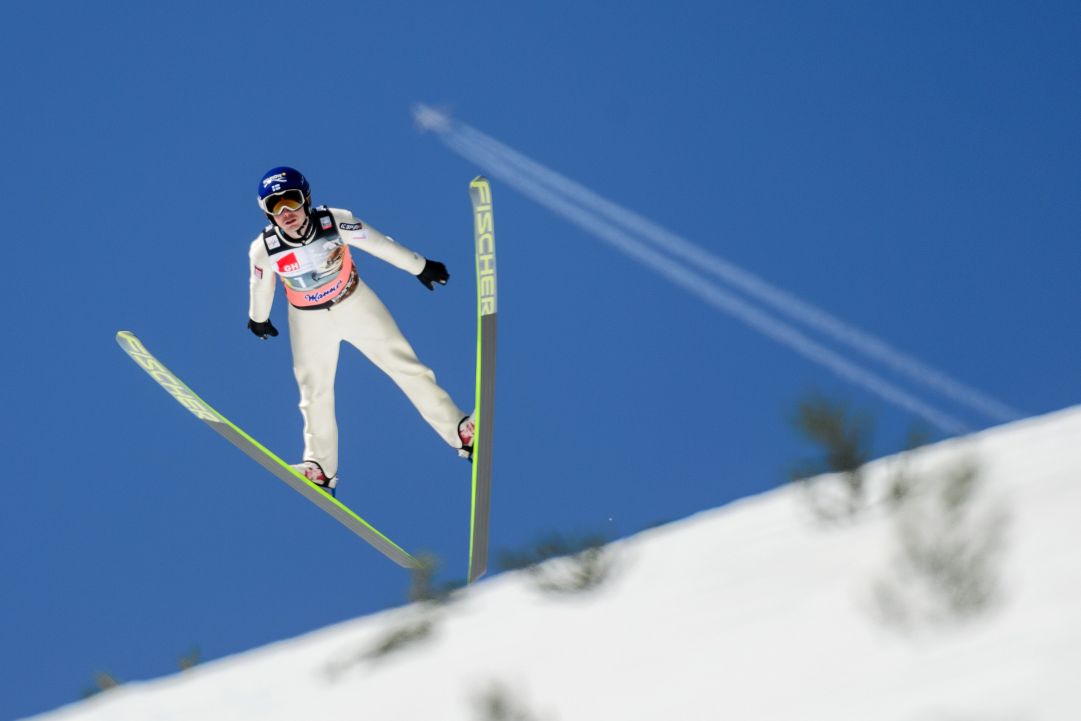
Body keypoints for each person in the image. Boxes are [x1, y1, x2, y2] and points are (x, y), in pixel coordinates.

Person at [247, 166, 474, 497]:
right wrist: (259, 318)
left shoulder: (334, 221)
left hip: (355, 303)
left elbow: (379, 244)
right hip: (308, 320)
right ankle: (321, 469)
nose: (286, 212)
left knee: (406, 366)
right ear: (267, 213)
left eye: (291, 201)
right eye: (275, 206)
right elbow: (259, 283)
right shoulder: (264, 248)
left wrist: (419, 266)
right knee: (315, 393)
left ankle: (461, 432)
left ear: (306, 199)